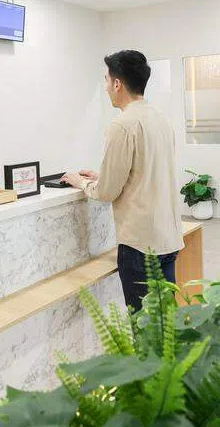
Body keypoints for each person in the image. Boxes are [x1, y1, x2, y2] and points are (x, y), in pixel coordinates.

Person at [63, 50, 184, 309]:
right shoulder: (161, 119)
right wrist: (103, 175)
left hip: (140, 244)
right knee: (165, 322)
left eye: (107, 80)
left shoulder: (122, 125)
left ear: (117, 83)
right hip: (168, 238)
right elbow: (148, 170)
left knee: (144, 324)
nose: (106, 87)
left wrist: (81, 182)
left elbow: (106, 192)